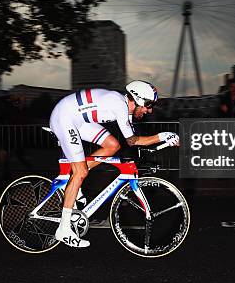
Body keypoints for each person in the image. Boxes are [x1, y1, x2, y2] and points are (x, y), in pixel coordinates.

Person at [49, 80, 180, 248]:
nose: (149, 110)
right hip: (64, 118)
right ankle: (63, 229)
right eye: (148, 105)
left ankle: (75, 177)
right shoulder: (120, 106)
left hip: (79, 120)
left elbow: (131, 139)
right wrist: (163, 136)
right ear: (138, 99)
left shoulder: (124, 108)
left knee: (112, 146)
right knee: (80, 172)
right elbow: (133, 141)